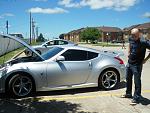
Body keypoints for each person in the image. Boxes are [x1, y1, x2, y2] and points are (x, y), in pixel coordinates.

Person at [121, 28, 150, 105]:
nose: (133, 37)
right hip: (129, 63)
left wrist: (146, 59)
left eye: (135, 36)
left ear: (139, 34)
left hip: (137, 65)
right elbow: (130, 44)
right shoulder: (131, 38)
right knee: (128, 79)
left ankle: (136, 97)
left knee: (137, 81)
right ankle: (128, 93)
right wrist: (129, 52)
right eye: (132, 35)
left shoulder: (144, 42)